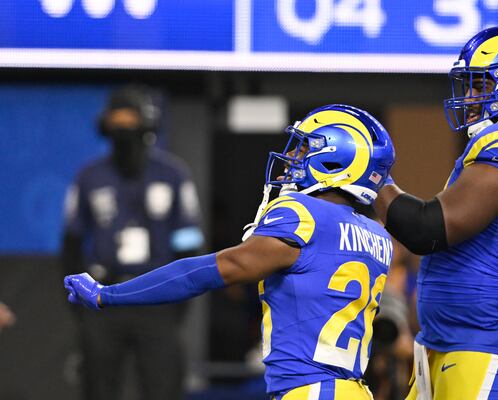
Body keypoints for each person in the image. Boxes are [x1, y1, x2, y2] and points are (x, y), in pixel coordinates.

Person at [65, 104, 396, 399]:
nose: (293, 157)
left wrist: (108, 294)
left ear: (336, 159)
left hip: (310, 391)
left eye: (305, 148)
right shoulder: (376, 234)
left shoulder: (303, 213)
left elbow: (216, 269)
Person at [374, 26, 498, 399]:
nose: (469, 96)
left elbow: (426, 229)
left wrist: (370, 173)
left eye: (479, 84)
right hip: (450, 345)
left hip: (489, 343)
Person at [61, 85, 204, 400]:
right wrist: (83, 306)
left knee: (162, 386)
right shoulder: (89, 176)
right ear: (106, 125)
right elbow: (71, 242)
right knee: (98, 388)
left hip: (156, 296)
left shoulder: (172, 174)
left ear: (146, 124)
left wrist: (177, 299)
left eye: (130, 120)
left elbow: (189, 242)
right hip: (103, 297)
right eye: (117, 121)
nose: (124, 129)